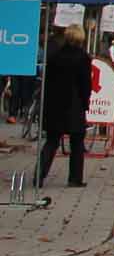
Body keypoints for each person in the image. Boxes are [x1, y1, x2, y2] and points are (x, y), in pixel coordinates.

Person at [37, 26, 95, 191]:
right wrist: (86, 103)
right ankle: (75, 178)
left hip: (55, 106)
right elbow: (85, 84)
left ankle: (39, 176)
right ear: (81, 38)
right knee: (76, 143)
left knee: (51, 142)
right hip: (74, 106)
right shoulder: (83, 58)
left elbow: (47, 82)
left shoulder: (55, 56)